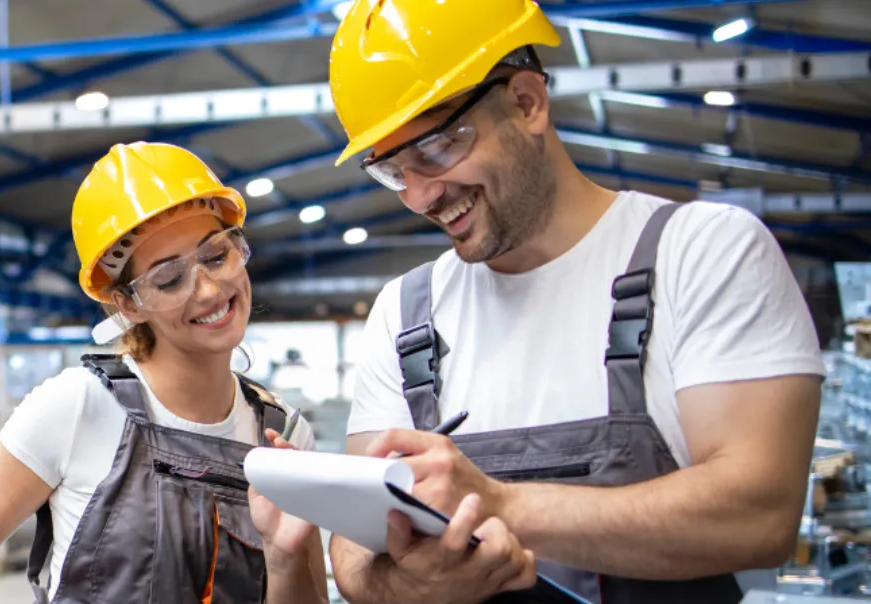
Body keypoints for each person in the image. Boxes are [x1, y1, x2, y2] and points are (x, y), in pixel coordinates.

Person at [323, 1, 824, 603]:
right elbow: (353, 550)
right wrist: (409, 589)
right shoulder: (405, 312)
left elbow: (758, 515)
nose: (423, 195)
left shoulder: (699, 252)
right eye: (395, 171)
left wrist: (503, 505)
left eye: (435, 150)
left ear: (527, 102)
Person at [0, 142, 330, 603]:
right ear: (127, 304)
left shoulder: (285, 438)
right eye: (168, 279)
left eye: (217, 256)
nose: (209, 290)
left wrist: (283, 557)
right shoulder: (80, 406)